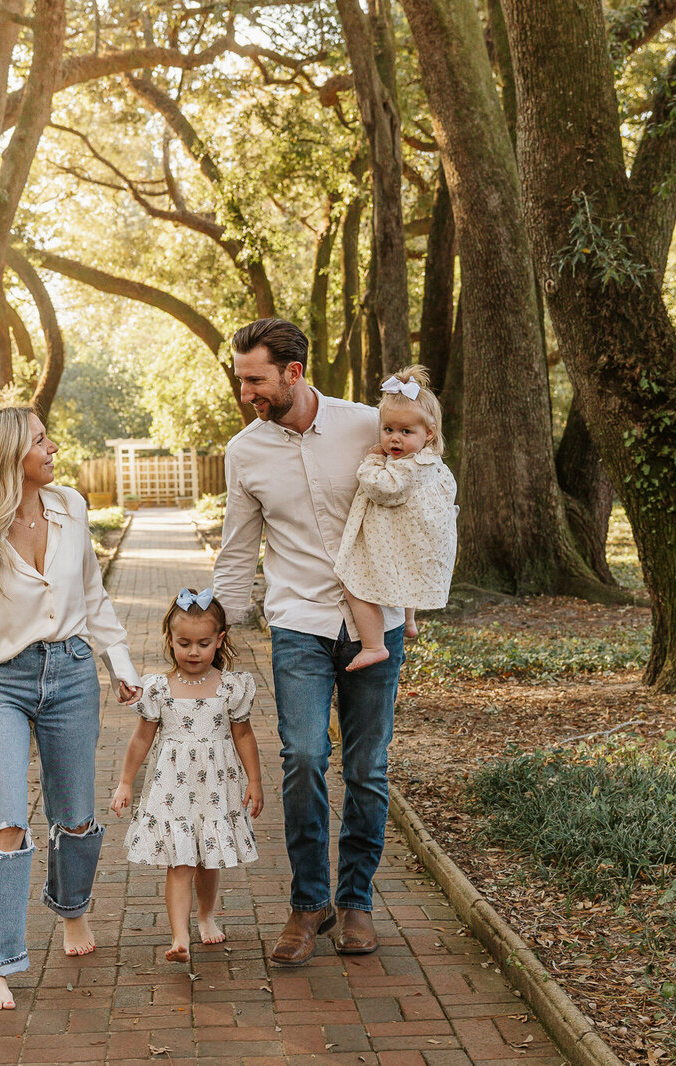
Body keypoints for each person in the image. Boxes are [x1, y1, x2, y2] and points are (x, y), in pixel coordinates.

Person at [211, 317, 406, 966]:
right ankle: (308, 901)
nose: (246, 393)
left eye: (255, 380)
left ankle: (356, 902)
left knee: (367, 769)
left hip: (377, 620)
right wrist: (218, 631)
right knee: (301, 755)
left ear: (293, 373)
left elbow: (419, 500)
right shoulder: (244, 453)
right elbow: (237, 549)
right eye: (241, 380)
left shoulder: (364, 425)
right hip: (298, 622)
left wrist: (415, 589)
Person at [0, 405, 142, 1011]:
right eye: (39, 440)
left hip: (73, 673)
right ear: (7, 457)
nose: (52, 447)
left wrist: (121, 664)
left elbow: (93, 592)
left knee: (76, 814)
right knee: (4, 822)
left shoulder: (71, 506)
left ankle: (72, 911)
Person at [110, 589, 264, 962]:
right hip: (172, 788)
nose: (193, 652)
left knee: (207, 859)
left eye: (203, 643)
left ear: (220, 640)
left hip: (216, 786)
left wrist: (255, 782)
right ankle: (179, 938)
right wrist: (126, 782)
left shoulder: (231, 687)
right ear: (170, 640)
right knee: (180, 860)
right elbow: (141, 739)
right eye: (184, 643)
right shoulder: (158, 689)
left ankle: (205, 915)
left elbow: (243, 734)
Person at [335, 366, 460, 671]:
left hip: (398, 539)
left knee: (353, 580)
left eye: (406, 432)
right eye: (388, 429)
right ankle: (409, 620)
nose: (394, 439)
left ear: (428, 433)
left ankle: (374, 645)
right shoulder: (430, 462)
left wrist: (373, 460)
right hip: (416, 542)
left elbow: (382, 488)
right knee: (407, 573)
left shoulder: (406, 467)